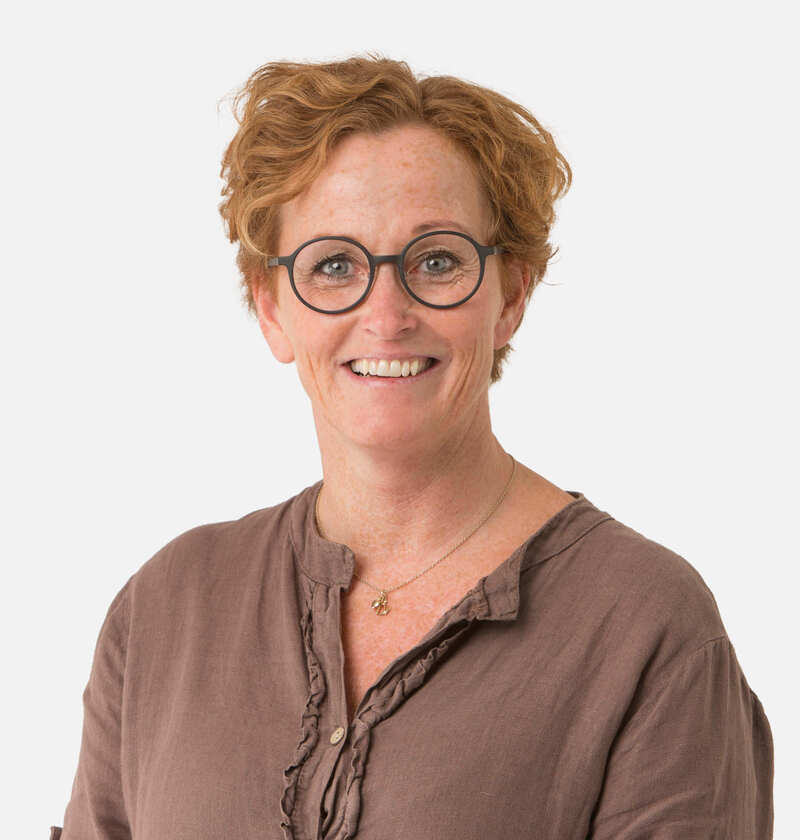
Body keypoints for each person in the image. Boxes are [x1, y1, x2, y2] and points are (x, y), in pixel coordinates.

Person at [51, 56, 774, 840]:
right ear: (271, 308)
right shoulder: (166, 610)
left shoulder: (644, 624)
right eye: (334, 265)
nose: (386, 314)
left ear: (511, 295)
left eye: (436, 261)